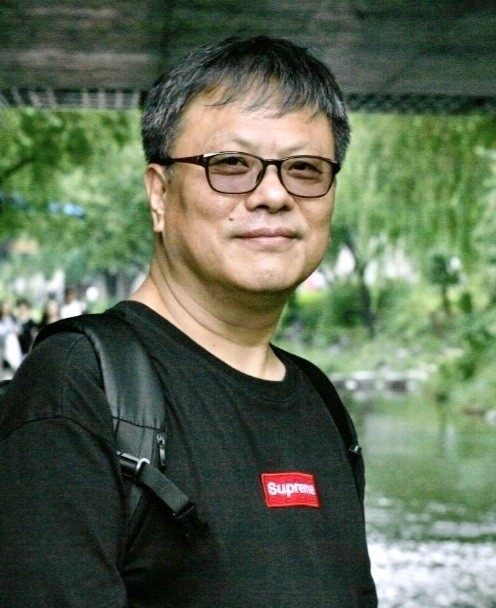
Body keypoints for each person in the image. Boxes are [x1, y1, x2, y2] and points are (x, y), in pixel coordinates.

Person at [0, 36, 377, 607]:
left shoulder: (320, 402)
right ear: (159, 193)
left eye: (305, 169)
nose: (274, 195)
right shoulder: (79, 386)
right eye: (231, 165)